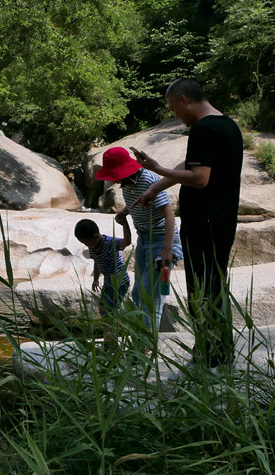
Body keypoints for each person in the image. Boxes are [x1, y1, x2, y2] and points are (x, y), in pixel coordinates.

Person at [132, 78, 243, 369]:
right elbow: (190, 166)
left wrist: (155, 168)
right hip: (221, 221)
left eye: (175, 110)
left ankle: (211, 356)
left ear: (184, 100)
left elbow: (200, 178)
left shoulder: (204, 129)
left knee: (201, 289)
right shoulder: (227, 124)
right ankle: (218, 350)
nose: (176, 116)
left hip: (204, 222)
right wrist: (156, 187)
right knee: (214, 285)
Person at [95, 147, 183, 332]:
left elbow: (169, 215)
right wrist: (125, 212)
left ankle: (148, 345)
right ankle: (144, 339)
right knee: (139, 293)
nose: (112, 179)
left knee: (151, 295)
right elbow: (137, 200)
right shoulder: (128, 184)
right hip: (143, 239)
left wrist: (167, 249)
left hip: (161, 241)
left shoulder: (148, 180)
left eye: (113, 174)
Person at [74, 218, 132, 330]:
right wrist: (95, 279)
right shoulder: (92, 248)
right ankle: (111, 335)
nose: (86, 245)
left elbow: (127, 242)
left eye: (86, 242)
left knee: (109, 311)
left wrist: (124, 222)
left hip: (120, 281)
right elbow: (97, 262)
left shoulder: (110, 243)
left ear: (96, 236)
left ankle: (111, 339)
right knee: (103, 309)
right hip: (108, 282)